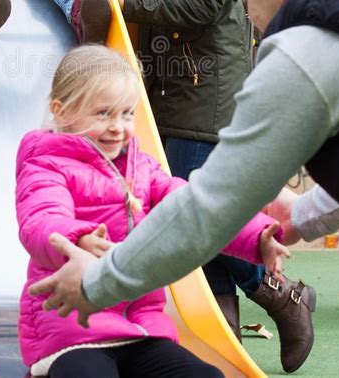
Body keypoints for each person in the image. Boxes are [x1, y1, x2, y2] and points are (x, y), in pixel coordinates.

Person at [29, 0, 339, 373]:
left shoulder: (307, 47)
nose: (250, 19)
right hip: (74, 337)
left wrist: (95, 284)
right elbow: (42, 218)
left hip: (130, 322)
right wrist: (300, 213)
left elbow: (208, 209)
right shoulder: (47, 159)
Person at [97, 0, 305, 363]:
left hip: (205, 77)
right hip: (185, 73)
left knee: (194, 216)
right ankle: (225, 347)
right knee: (195, 216)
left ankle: (283, 294)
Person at [16, 45, 289, 377]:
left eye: (127, 114)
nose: (118, 127)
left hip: (141, 329)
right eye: (103, 113)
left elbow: (195, 207)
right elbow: (42, 218)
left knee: (206, 376)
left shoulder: (141, 167)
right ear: (62, 111)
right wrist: (79, 241)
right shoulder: (47, 163)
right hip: (73, 330)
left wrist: (256, 236)